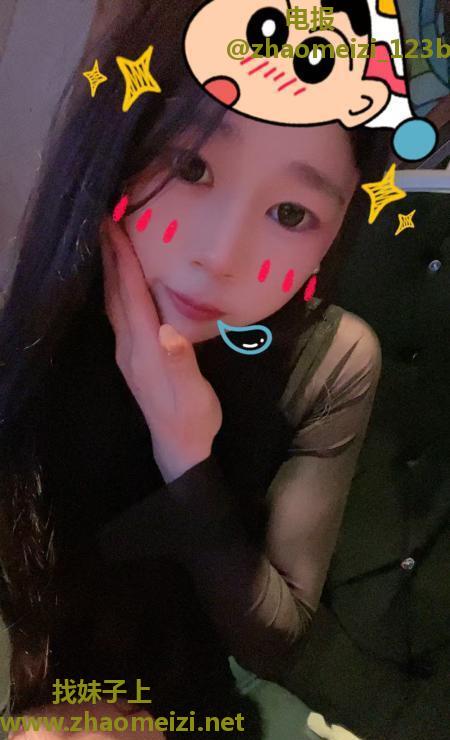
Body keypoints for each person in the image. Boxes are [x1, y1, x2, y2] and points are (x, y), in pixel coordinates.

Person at [0, 1, 390, 737]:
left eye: (292, 213)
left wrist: (185, 450)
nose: (219, 255)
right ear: (120, 144)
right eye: (192, 166)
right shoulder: (44, 311)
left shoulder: (332, 362)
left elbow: (275, 637)